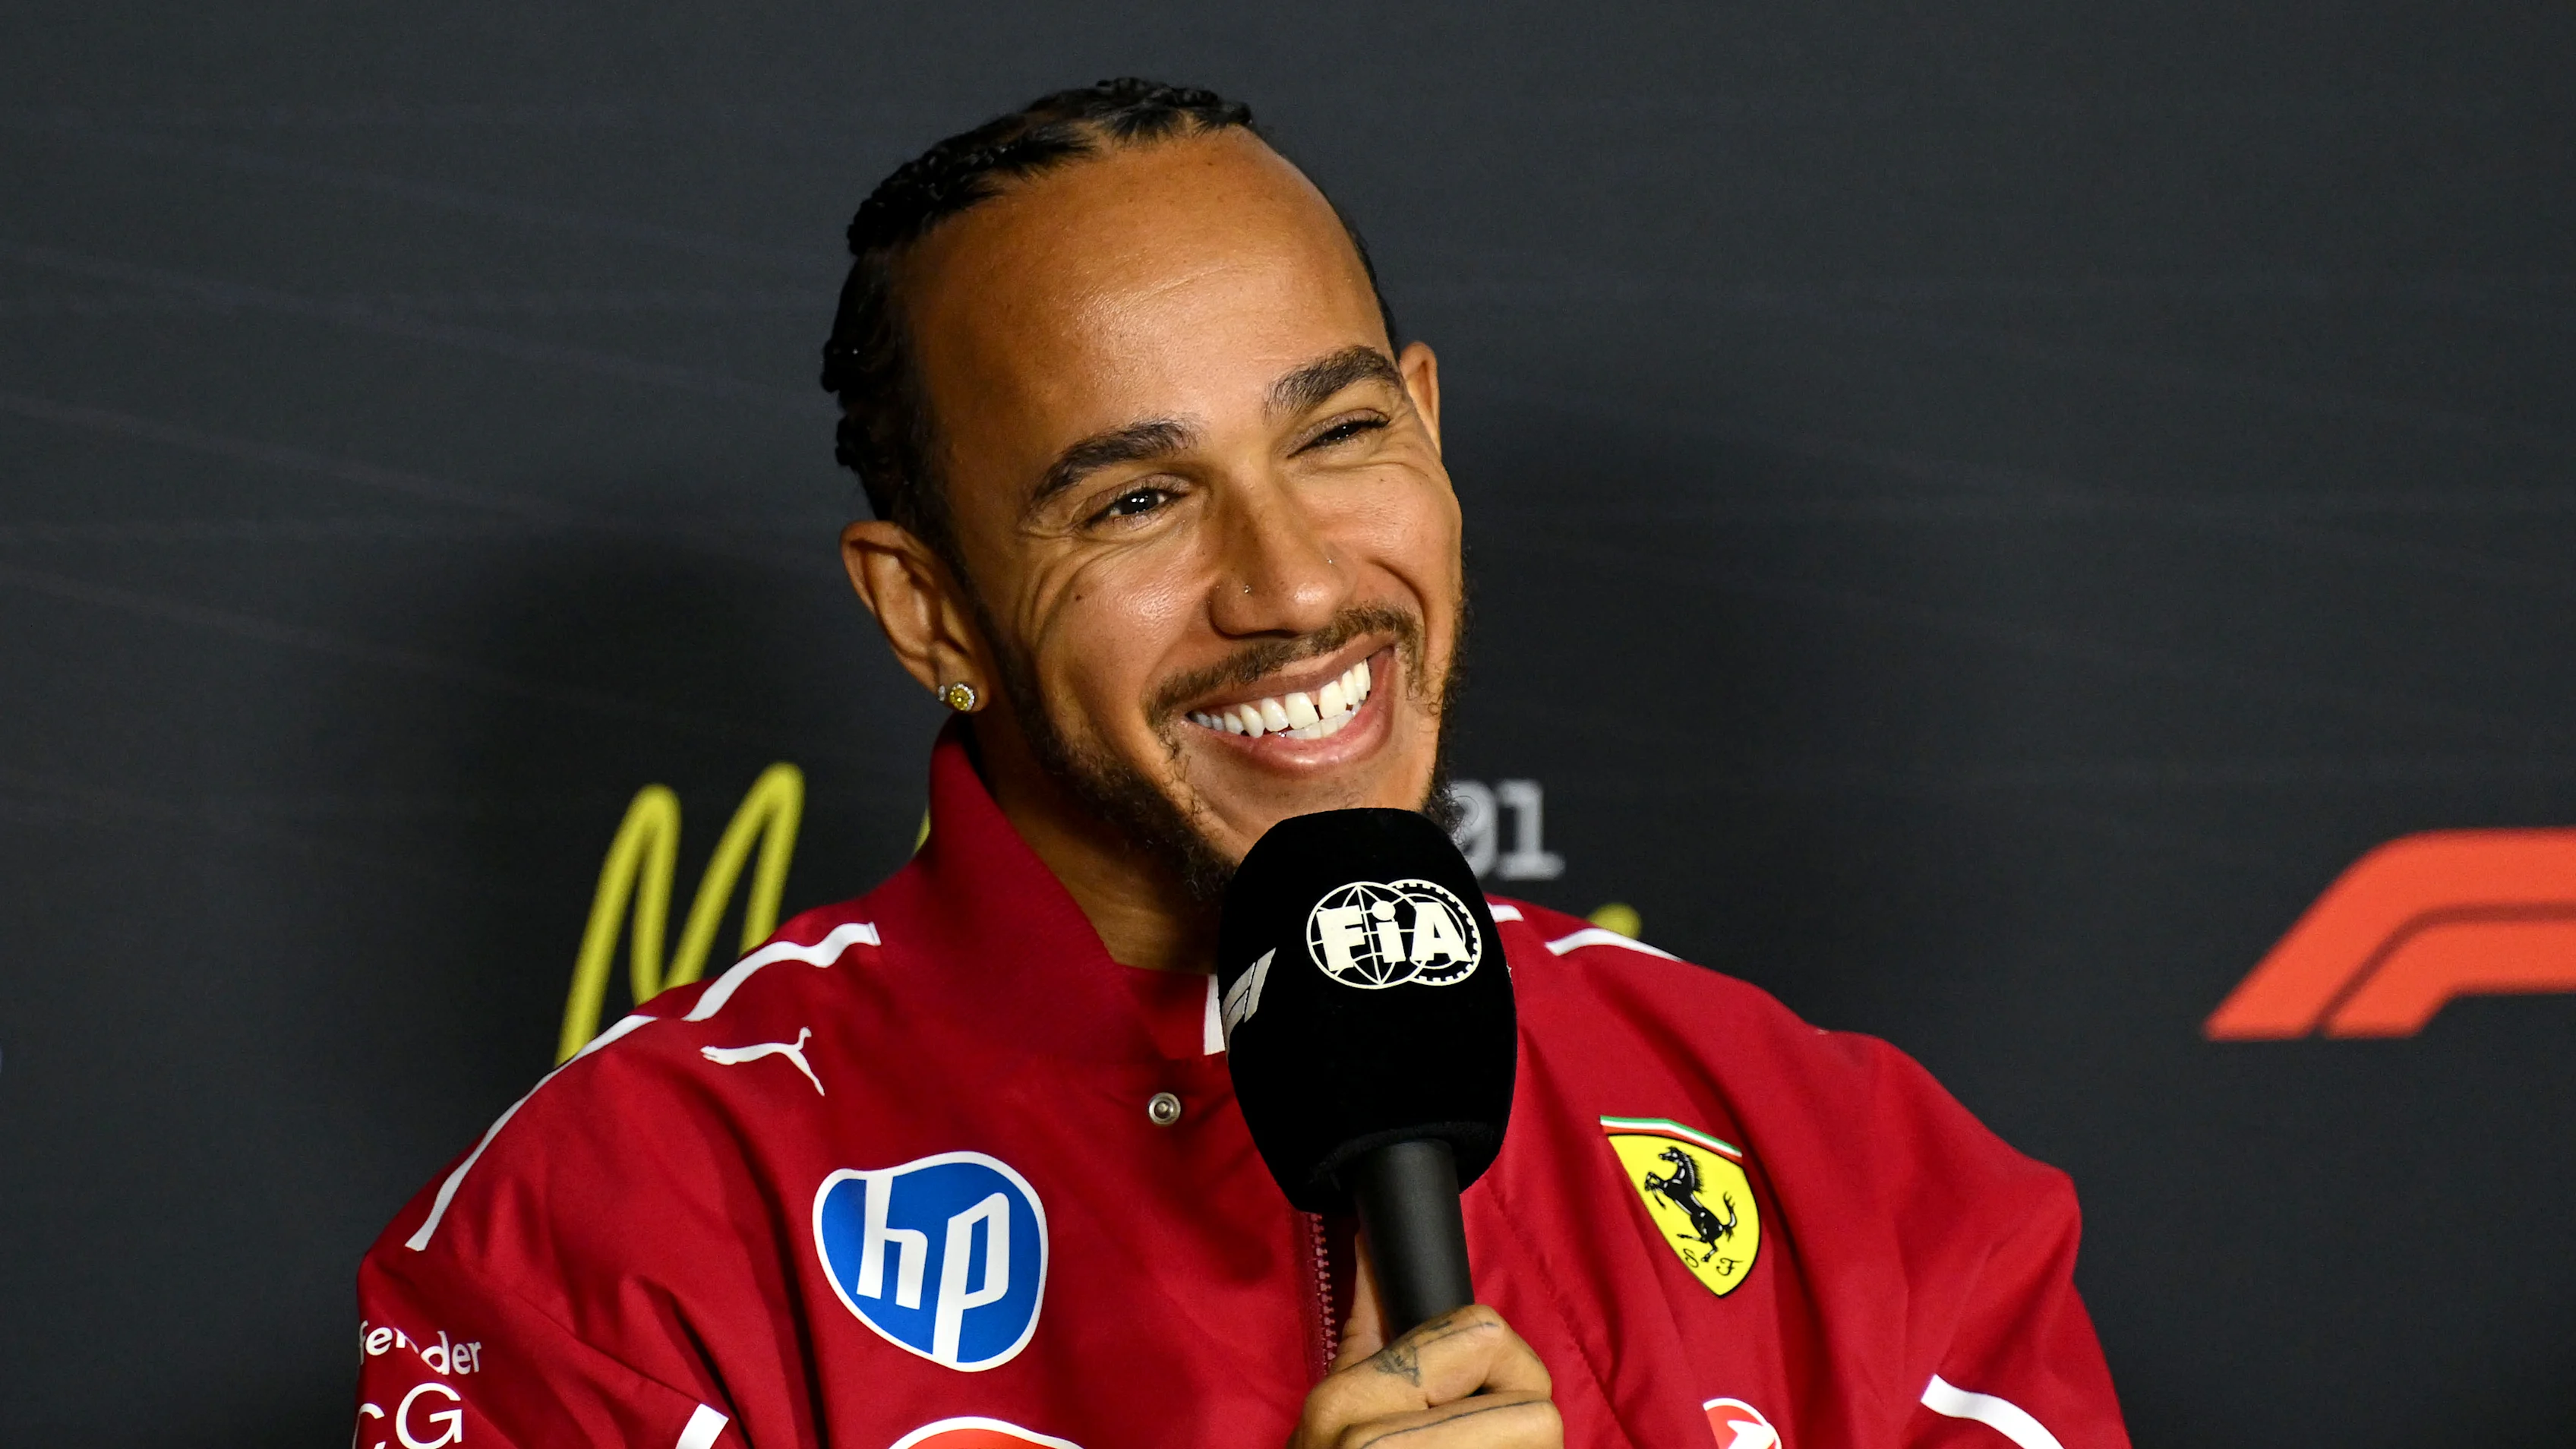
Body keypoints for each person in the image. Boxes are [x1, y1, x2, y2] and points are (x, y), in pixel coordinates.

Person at [353, 80, 2129, 1449]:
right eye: (1135, 500)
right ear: (929, 613)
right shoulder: (613, 1235)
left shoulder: (1858, 1171)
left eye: (1339, 434)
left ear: (1429, 429)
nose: (1290, 587)